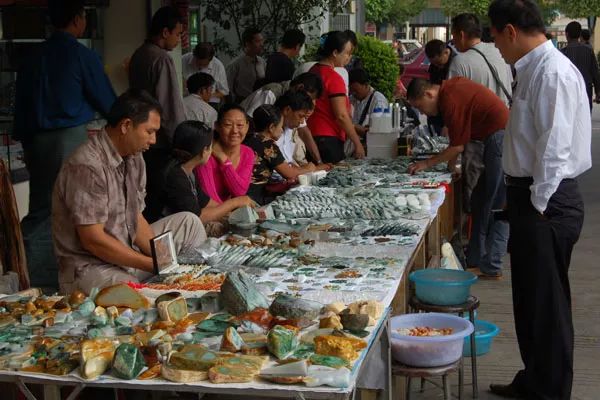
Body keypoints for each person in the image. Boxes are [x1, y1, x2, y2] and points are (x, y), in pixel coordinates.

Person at [487, 1, 591, 399]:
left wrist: (538, 204)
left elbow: (556, 148)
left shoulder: (552, 73)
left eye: (495, 36)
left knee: (547, 305)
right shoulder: (531, 70)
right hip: (532, 196)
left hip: (547, 200)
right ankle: (535, 379)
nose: (495, 45)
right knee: (530, 300)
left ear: (511, 31)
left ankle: (550, 390)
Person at [52, 90, 206, 295]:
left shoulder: (134, 158)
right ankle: (156, 287)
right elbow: (93, 240)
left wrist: (164, 260)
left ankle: (171, 280)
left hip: (126, 251)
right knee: (137, 292)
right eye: (149, 131)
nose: (153, 140)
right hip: (90, 267)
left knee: (190, 223)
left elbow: (136, 217)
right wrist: (152, 264)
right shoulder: (87, 165)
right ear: (125, 126)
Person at [14, 0, 116, 288]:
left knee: (41, 206)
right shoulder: (81, 55)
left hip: (35, 139)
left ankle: (34, 279)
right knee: (76, 208)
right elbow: (108, 102)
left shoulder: (33, 56)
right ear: (77, 20)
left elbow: (20, 104)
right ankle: (65, 280)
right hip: (68, 136)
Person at [406, 77, 509, 280]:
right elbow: (458, 140)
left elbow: (457, 147)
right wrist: (451, 167)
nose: (423, 113)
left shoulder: (450, 98)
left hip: (499, 137)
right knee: (481, 200)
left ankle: (492, 265)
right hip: (494, 137)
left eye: (421, 107)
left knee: (495, 202)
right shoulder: (450, 91)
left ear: (429, 94)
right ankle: (477, 260)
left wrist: (426, 164)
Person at [129, 6, 185, 222]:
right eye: (178, 33)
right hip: (161, 141)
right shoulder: (161, 58)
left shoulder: (139, 54)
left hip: (140, 136)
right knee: (159, 199)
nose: (179, 39)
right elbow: (169, 106)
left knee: (145, 194)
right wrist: (179, 142)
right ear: (165, 32)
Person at [158, 121, 254, 225]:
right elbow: (198, 217)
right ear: (204, 151)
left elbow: (206, 202)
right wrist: (235, 202)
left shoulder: (189, 171)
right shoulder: (176, 177)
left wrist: (230, 212)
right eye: (211, 147)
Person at [308, 31, 365, 163]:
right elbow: (341, 116)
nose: (349, 57)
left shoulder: (313, 70)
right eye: (347, 53)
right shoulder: (333, 78)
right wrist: (357, 142)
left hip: (312, 135)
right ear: (334, 53)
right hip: (328, 137)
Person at [245, 105, 316, 204]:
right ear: (271, 127)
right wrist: (309, 168)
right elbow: (290, 174)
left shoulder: (249, 138)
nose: (282, 130)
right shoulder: (268, 145)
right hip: (254, 197)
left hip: (245, 192)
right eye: (281, 126)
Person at [194, 104, 254, 203]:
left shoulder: (248, 153)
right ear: (217, 126)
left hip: (225, 210)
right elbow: (209, 198)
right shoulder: (206, 153)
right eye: (228, 125)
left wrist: (223, 159)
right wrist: (230, 208)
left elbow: (239, 192)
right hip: (207, 212)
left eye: (240, 125)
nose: (234, 131)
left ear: (247, 127)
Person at [449, 13, 513, 107]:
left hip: (478, 121)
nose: (453, 42)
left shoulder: (459, 62)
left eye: (453, 35)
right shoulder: (500, 52)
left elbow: (453, 103)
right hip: (505, 118)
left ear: (461, 35)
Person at [561, 21, 600, 109]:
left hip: (568, 93)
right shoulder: (588, 50)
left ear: (566, 34)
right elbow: (595, 72)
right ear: (579, 35)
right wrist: (598, 92)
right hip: (586, 91)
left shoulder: (562, 53)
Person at [226, 27, 266, 102]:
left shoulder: (262, 62)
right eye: (257, 41)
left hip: (260, 103)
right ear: (248, 44)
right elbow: (228, 90)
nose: (261, 44)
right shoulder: (235, 65)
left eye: (262, 41)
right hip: (242, 103)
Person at [348, 68, 388, 139]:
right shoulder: (352, 98)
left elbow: (379, 130)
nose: (353, 93)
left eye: (356, 90)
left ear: (366, 85)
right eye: (351, 90)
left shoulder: (378, 101)